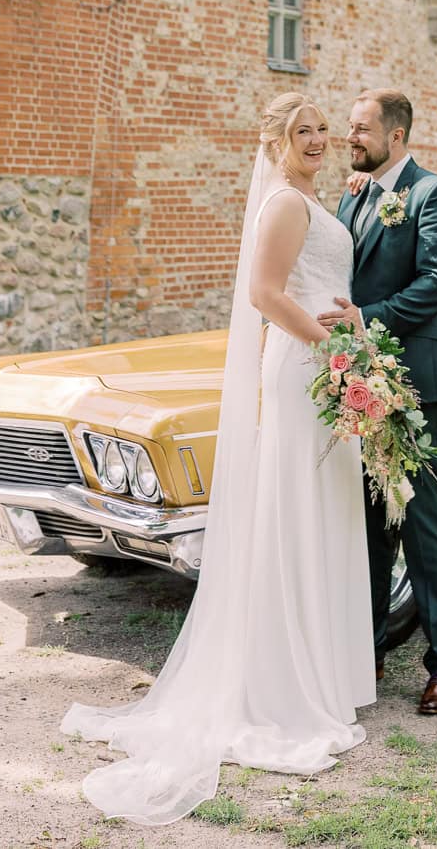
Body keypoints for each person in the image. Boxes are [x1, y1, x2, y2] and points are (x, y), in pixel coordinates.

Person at [61, 93, 374, 827]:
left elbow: (321, 286)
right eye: (304, 131)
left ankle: (323, 673)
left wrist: (353, 323)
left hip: (329, 359)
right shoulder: (284, 207)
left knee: (322, 509)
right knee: (296, 508)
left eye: (323, 128)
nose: (319, 139)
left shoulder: (308, 199)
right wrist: (331, 347)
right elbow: (265, 293)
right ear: (277, 140)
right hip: (304, 367)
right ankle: (281, 683)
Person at [321, 88, 437, 715]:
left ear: (396, 135)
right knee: (370, 524)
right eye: (349, 129)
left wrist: (366, 319)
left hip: (414, 382)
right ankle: (369, 651)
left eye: (360, 130)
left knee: (425, 523)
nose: (349, 139)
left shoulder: (434, 195)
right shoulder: (353, 197)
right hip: (357, 379)